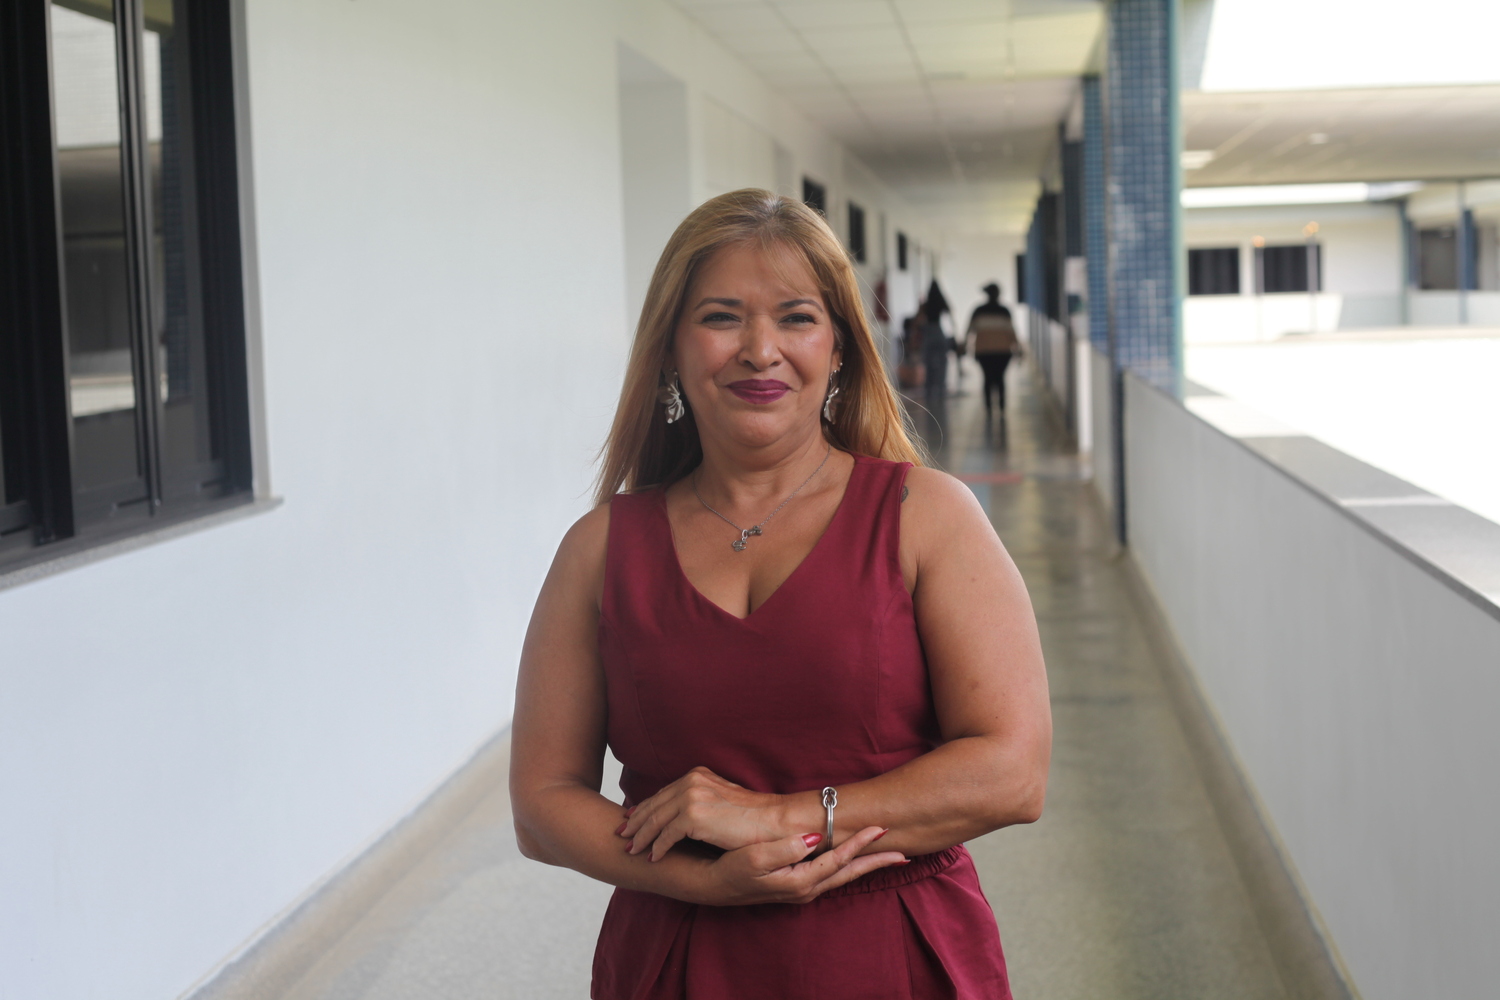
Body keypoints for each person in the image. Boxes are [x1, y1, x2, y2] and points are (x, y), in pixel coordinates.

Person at [510, 189, 1052, 1000]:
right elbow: (542, 801)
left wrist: (779, 819)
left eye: (796, 318)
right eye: (722, 317)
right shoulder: (601, 549)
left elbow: (1013, 771)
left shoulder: (926, 515)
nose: (760, 350)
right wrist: (705, 883)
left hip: (892, 954)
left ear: (839, 348)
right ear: (669, 349)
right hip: (677, 956)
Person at [966, 282, 1021, 420]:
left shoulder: (978, 311)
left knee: (987, 378)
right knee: (1000, 378)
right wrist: (1018, 348)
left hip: (983, 352)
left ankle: (989, 408)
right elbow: (1011, 332)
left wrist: (963, 346)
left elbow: (970, 330)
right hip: (1003, 352)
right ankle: (1001, 407)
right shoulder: (1004, 311)